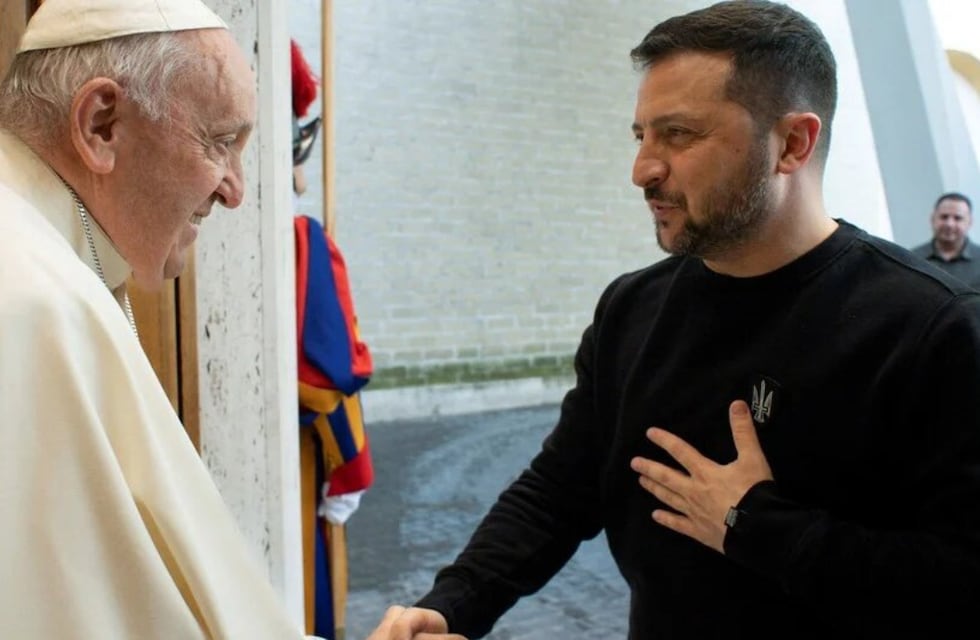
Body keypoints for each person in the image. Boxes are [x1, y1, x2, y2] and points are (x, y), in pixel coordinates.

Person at [370, 1, 980, 638]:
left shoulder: (931, 330)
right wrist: (453, 602)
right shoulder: (632, 310)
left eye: (680, 135)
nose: (643, 170)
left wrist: (761, 527)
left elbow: (961, 582)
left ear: (792, 144)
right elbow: (561, 487)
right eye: (642, 136)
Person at [0, 1, 399, 638]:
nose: (235, 189)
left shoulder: (47, 255)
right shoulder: (35, 307)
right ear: (102, 124)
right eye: (219, 142)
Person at [911, 191, 980, 289]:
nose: (949, 224)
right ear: (932, 219)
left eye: (958, 218)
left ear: (970, 222)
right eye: (944, 217)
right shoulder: (912, 259)